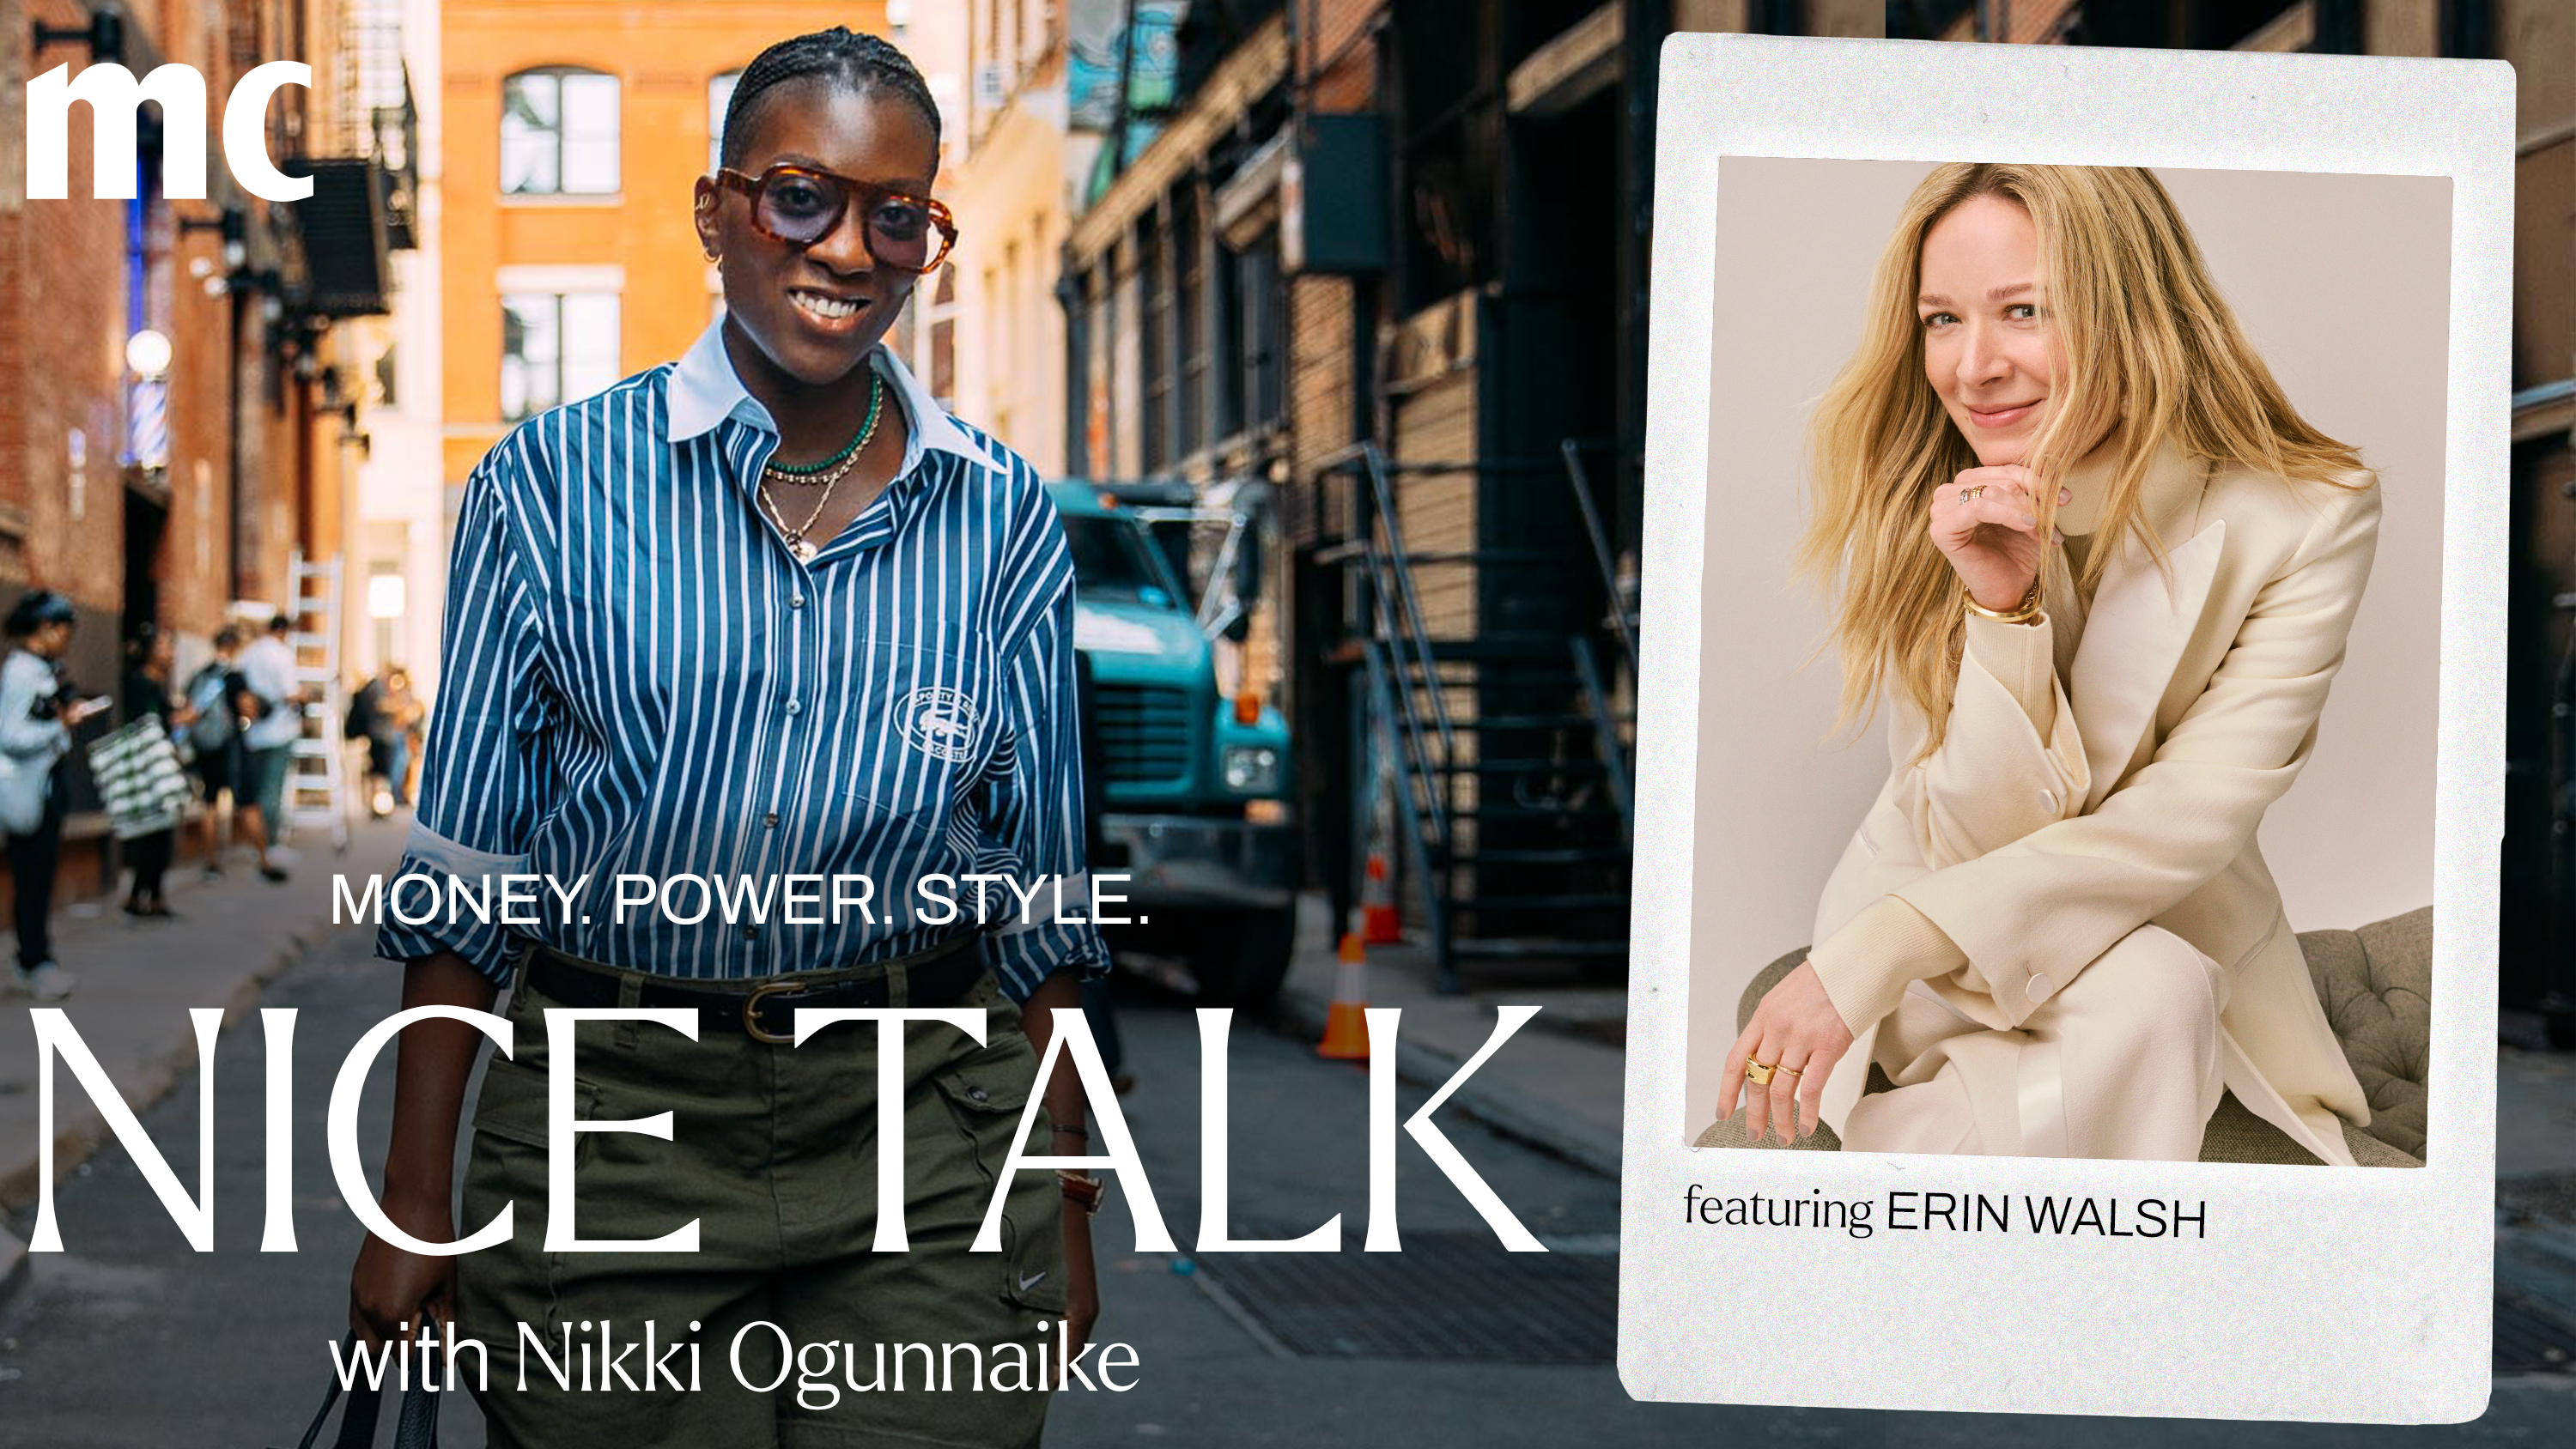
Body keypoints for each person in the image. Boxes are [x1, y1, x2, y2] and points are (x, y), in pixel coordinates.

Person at [349, 27, 1109, 1447]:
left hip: (926, 1132)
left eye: (900, 215)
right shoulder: (548, 487)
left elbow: (1042, 904)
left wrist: (1067, 1197)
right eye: (799, 196)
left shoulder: (1003, 517)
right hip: (612, 1126)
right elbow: (466, 880)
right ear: (717, 212)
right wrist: (415, 1197)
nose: (848, 247)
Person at [1717, 163, 2380, 1166]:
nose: (1973, 366)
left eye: (2023, 310)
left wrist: (1873, 951)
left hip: (2110, 924)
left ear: (2133, 307)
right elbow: (1975, 827)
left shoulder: (2309, 513)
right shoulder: (1931, 498)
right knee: (2151, 996)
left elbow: (2178, 826)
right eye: (1941, 320)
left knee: (2158, 984)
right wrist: (2004, 608)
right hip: (1946, 921)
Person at [1, 591, 110, 999]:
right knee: (32, 878)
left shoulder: (40, 670)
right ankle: (34, 961)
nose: (68, 639)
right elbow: (9, 734)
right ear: (45, 629)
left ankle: (34, 959)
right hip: (29, 790)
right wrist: (59, 728)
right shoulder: (22, 672)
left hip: (44, 787)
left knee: (39, 878)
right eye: (64, 631)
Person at [117, 622, 197, 918]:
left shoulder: (157, 685)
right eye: (164, 647)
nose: (171, 653)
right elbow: (146, 726)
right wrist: (179, 719)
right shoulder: (139, 684)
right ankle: (143, 896)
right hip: (146, 767)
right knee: (151, 832)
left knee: (159, 833)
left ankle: (150, 895)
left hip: (161, 765)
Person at [235, 611, 304, 862]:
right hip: (279, 730)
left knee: (256, 789)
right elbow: (289, 692)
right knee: (272, 790)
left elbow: (239, 683)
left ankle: (255, 843)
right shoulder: (282, 654)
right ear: (285, 631)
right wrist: (305, 694)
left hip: (254, 732)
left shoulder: (250, 652)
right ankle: (269, 845)